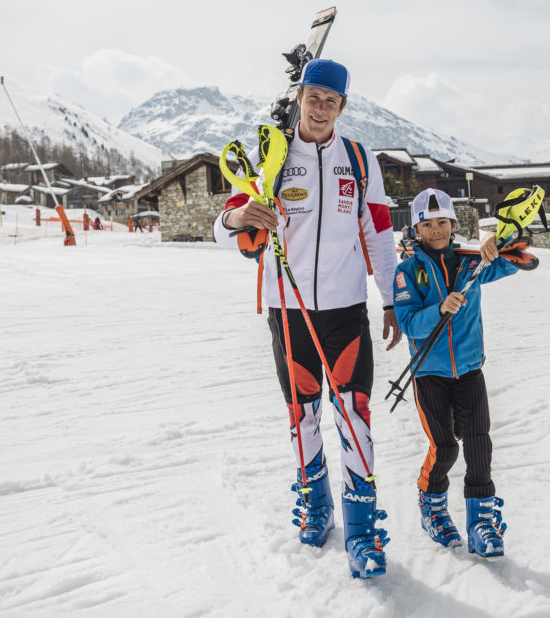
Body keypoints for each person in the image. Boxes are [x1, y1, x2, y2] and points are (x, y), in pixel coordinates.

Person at [212, 58, 401, 579]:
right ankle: (316, 505)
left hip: (345, 309)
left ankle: (362, 531)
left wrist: (391, 299)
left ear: (342, 107)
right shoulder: (270, 156)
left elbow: (380, 233)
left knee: (355, 413)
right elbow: (223, 229)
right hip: (288, 310)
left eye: (330, 101)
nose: (320, 108)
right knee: (304, 414)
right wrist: (238, 216)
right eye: (313, 97)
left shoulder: (359, 160)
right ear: (299, 99)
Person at [392, 188, 518, 558]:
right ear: (416, 229)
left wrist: (500, 241)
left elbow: (513, 261)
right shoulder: (407, 271)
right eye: (427, 224)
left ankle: (481, 522)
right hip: (429, 373)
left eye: (442, 222)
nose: (436, 230)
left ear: (453, 224)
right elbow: (409, 323)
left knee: (478, 444)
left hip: (469, 369)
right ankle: (431, 506)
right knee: (444, 447)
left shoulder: (470, 262)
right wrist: (440, 309)